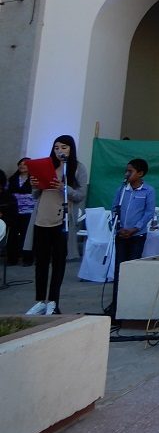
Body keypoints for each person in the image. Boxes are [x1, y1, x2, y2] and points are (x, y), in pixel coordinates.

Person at [25, 135, 88, 316]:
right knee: (41, 262)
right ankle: (39, 301)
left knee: (58, 262)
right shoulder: (47, 166)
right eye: (56, 148)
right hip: (42, 218)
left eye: (64, 147)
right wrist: (35, 185)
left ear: (71, 149)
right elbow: (36, 195)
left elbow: (80, 195)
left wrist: (63, 187)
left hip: (62, 220)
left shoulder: (77, 168)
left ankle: (53, 301)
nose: (60, 151)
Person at [106, 158, 155, 320]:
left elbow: (148, 212)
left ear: (140, 173)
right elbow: (115, 208)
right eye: (126, 171)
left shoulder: (148, 191)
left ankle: (130, 306)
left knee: (132, 269)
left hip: (137, 236)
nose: (127, 174)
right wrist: (118, 227)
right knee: (119, 269)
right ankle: (115, 306)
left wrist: (135, 229)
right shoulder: (122, 190)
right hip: (121, 235)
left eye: (130, 171)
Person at [4, 159, 35, 266]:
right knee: (12, 235)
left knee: (27, 235)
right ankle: (12, 258)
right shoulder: (12, 179)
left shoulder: (34, 179)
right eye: (20, 164)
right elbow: (7, 193)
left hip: (29, 211)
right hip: (14, 211)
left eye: (25, 164)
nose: (22, 166)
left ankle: (27, 258)